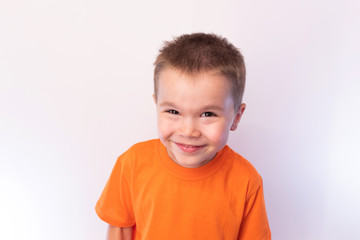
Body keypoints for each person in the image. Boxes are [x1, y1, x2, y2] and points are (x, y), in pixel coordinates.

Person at [95, 33, 271, 240]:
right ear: (157, 105)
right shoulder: (132, 164)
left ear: (236, 117)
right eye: (173, 112)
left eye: (208, 114)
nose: (188, 131)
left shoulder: (246, 181)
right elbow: (119, 229)